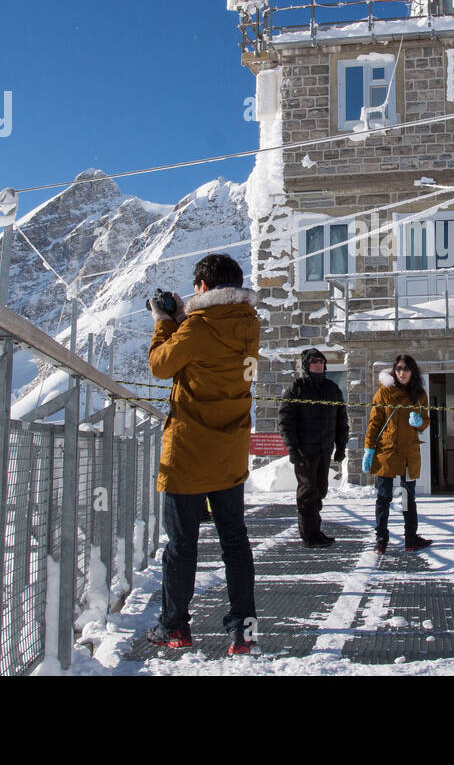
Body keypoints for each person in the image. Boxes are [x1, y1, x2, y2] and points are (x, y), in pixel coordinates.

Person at [146, 253, 260, 655]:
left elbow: (161, 366)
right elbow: (214, 361)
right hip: (230, 453)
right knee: (235, 542)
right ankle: (243, 630)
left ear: (202, 287)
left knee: (182, 545)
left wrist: (164, 322)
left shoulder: (195, 327)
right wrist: (181, 320)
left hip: (189, 453)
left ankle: (174, 626)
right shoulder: (250, 325)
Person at [277, 347, 348, 548]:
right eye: (313, 362)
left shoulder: (332, 389)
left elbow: (341, 420)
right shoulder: (296, 389)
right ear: (307, 366)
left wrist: (341, 446)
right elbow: (285, 422)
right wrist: (293, 449)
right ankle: (309, 536)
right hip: (304, 452)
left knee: (320, 491)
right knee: (308, 493)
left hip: (324, 449)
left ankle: (316, 530)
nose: (318, 365)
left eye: (321, 362)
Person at [363, 354, 431, 554]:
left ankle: (411, 538)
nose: (402, 372)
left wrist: (420, 423)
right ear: (394, 370)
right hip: (387, 452)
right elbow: (374, 423)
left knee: (407, 498)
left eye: (407, 369)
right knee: (383, 497)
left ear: (413, 372)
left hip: (409, 454)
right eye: (399, 368)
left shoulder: (419, 395)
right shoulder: (383, 393)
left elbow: (426, 419)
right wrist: (369, 449)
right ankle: (381, 540)